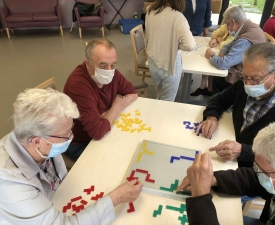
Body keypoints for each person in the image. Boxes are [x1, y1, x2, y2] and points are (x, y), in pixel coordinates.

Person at [0, 88, 143, 224]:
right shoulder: (8, 181)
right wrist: (116, 198)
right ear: (37, 142)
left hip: (59, 199)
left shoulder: (36, 142)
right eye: (65, 134)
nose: (72, 136)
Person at [176, 120, 275, 225]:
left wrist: (200, 198)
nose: (256, 172)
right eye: (256, 166)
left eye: (262, 171)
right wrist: (213, 179)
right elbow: (253, 179)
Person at [196, 42, 275, 168]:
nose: (248, 84)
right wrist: (211, 116)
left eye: (256, 79)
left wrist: (244, 151)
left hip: (253, 170)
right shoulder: (246, 81)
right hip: (228, 145)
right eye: (244, 77)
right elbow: (220, 99)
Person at [64, 38, 138, 161]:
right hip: (80, 142)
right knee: (119, 160)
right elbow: (97, 132)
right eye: (102, 66)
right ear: (87, 63)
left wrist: (106, 116)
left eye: (113, 65)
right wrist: (116, 107)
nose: (109, 71)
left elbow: (132, 93)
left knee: (131, 147)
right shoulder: (78, 85)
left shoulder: (112, 72)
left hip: (103, 131)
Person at [204, 6, 266, 95]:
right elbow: (230, 44)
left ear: (232, 22)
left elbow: (223, 64)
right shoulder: (249, 27)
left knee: (217, 78)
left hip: (245, 79)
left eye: (227, 24)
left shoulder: (245, 40)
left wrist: (211, 55)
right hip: (249, 69)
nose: (227, 28)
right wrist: (222, 53)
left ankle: (218, 104)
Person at [145, 0, 196, 101]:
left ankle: (157, 114)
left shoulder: (150, 12)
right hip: (169, 65)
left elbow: (150, 36)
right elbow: (190, 45)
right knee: (167, 101)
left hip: (152, 62)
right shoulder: (178, 17)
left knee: (159, 94)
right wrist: (175, 45)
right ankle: (160, 116)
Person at [190, 23, 234, 97]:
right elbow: (215, 33)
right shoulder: (226, 26)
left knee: (212, 63)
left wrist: (219, 39)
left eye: (229, 24)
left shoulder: (235, 32)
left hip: (224, 58)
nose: (227, 26)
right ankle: (203, 87)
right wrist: (214, 38)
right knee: (207, 61)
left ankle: (210, 89)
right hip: (218, 51)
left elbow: (225, 45)